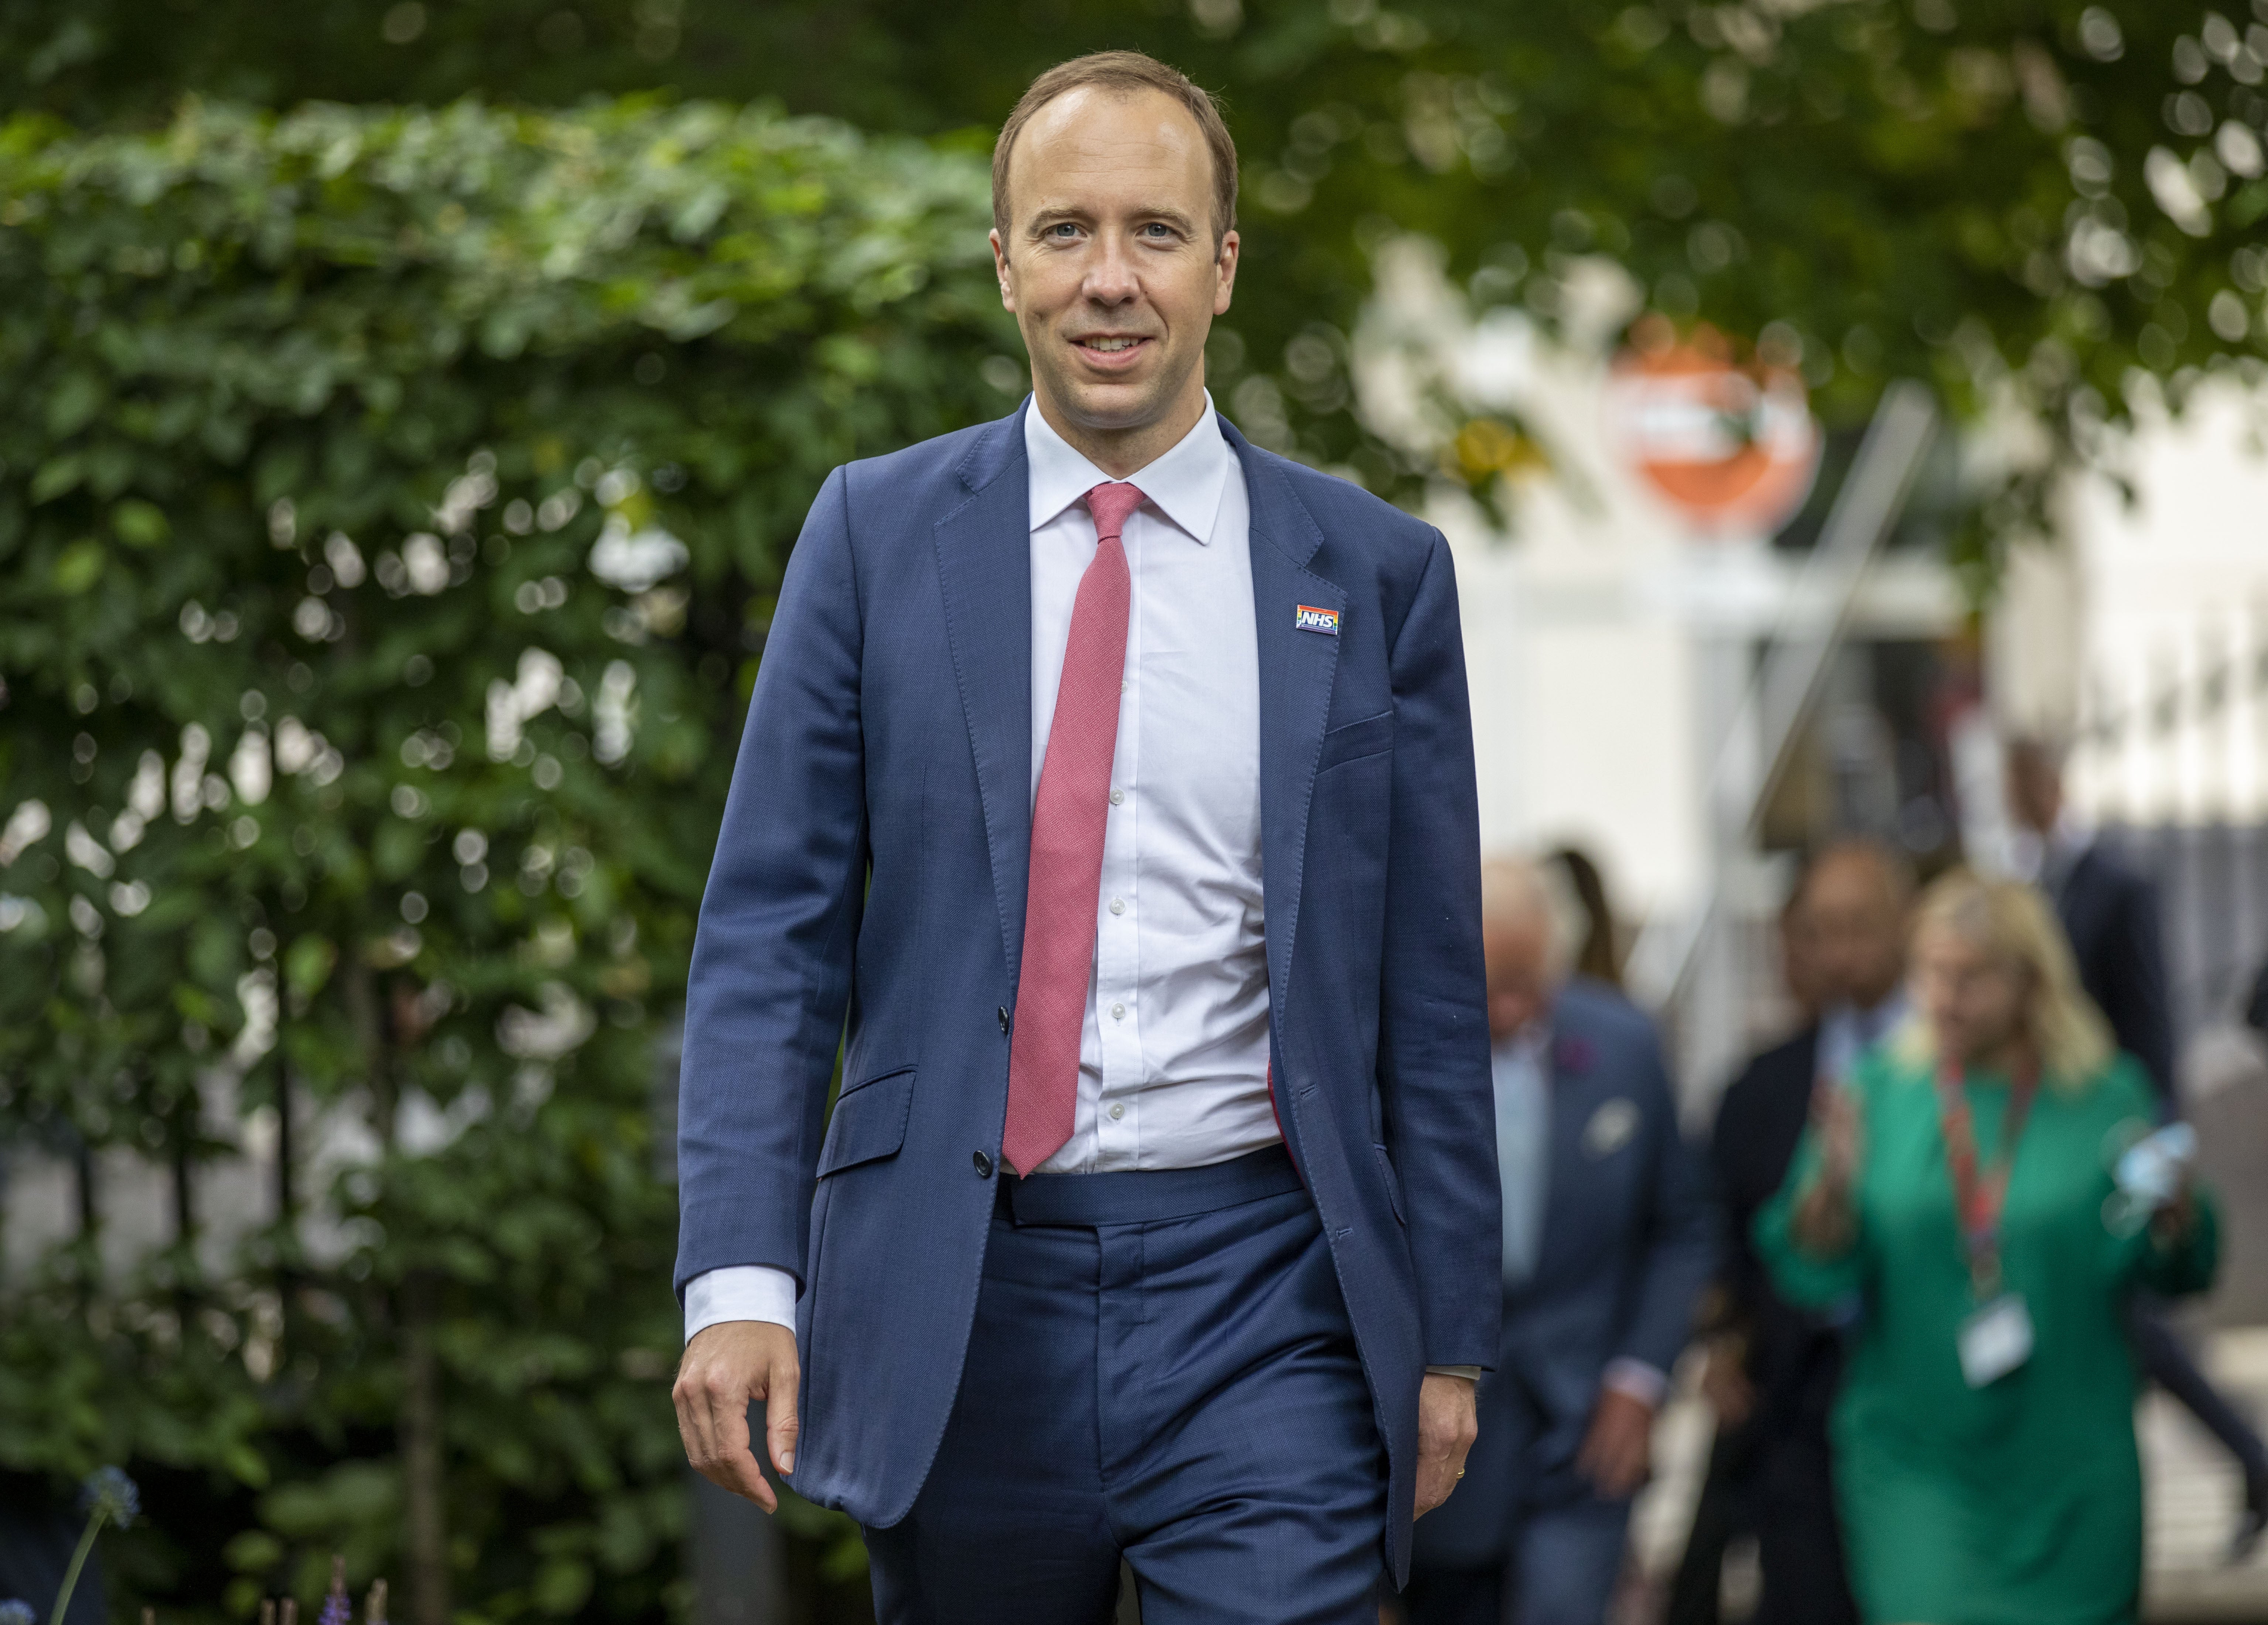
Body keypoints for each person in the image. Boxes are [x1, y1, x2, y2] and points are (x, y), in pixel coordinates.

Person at [668, 51, 1502, 1625]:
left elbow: (1428, 987)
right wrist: (738, 1282)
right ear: (1001, 265)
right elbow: (767, 941)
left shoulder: (1373, 573)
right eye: (1062, 233)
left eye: (1154, 233)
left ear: (1222, 266)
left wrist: (1447, 1332)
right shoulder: (869, 536)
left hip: (1268, 1288)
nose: (1107, 280)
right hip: (955, 1291)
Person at [1757, 870, 2219, 1625]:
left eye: (1970, 978)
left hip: (2070, 1463)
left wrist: (2174, 1214)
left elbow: (2168, 1266)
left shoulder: (2108, 1098)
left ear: (2031, 982)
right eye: (1932, 974)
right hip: (1917, 1458)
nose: (1945, 997)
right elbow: (1811, 1269)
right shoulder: (1874, 1095)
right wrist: (1829, 1191)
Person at [1404, 857, 1714, 1625]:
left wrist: (1640, 1375)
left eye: (1527, 980)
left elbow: (1682, 1225)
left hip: (1585, 1431)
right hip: (1446, 1427)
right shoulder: (1402, 1051)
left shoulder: (1624, 1043)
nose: (1510, 1007)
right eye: (1491, 981)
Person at [2005, 735, 2268, 1554]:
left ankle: (2250, 1455)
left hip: (2117, 1130)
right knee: (2121, 1318)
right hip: (2060, 1134)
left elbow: (2148, 1014)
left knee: (2130, 1314)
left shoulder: (2117, 882)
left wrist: (2159, 1136)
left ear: (2046, 782)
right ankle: (2251, 1458)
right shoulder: (2039, 882)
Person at [1672, 840, 1909, 1625]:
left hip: (1927, 1399)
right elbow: (1718, 1227)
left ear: (1903, 925)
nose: (1838, 953)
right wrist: (1719, 1336)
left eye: (1858, 927)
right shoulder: (1763, 1085)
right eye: (1818, 931)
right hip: (1797, 1407)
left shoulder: (1945, 1071)